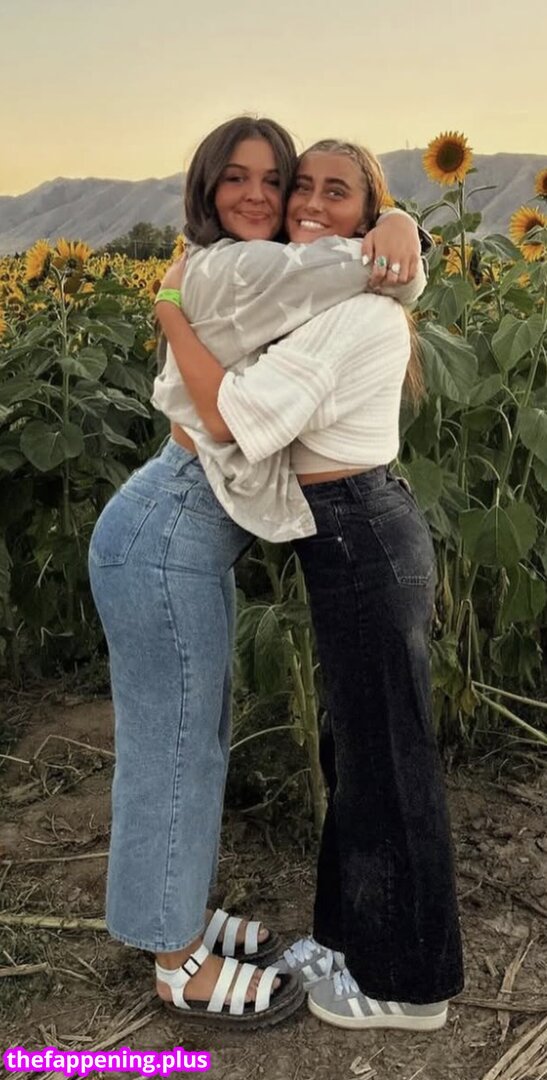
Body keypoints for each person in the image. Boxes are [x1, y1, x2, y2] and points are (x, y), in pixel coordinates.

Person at [88, 116, 426, 1027]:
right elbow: (370, 269)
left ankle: (176, 915)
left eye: (271, 179)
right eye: (234, 177)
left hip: (176, 534)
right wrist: (394, 232)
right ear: (204, 186)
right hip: (161, 536)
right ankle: (174, 963)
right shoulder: (231, 268)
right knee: (173, 748)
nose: (257, 195)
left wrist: (399, 225)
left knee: (193, 737)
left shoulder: (268, 269)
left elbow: (364, 266)